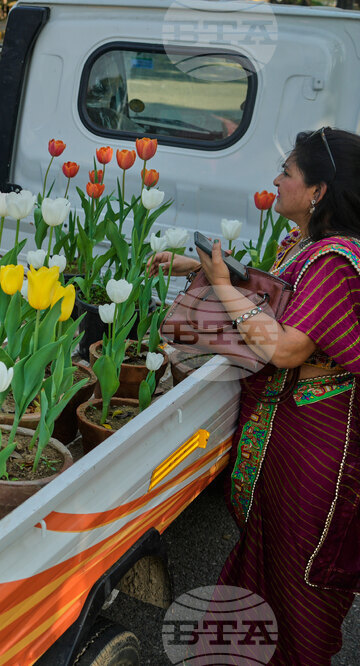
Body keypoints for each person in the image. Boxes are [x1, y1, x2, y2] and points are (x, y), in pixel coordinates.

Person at [149, 128, 360, 664]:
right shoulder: (305, 244)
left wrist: (219, 285)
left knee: (298, 583)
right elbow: (273, 294)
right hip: (288, 430)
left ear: (318, 190)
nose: (276, 180)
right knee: (267, 561)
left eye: (287, 173)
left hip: (317, 450)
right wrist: (197, 267)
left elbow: (286, 348)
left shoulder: (336, 260)